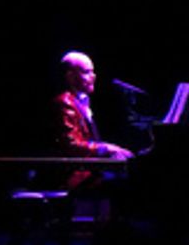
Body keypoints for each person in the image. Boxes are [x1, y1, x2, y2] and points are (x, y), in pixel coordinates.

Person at [55, 51, 133, 190]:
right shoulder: (65, 102)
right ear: (71, 77)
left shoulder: (81, 101)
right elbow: (71, 145)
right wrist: (106, 149)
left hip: (88, 170)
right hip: (75, 176)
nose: (94, 76)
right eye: (87, 72)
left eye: (93, 72)